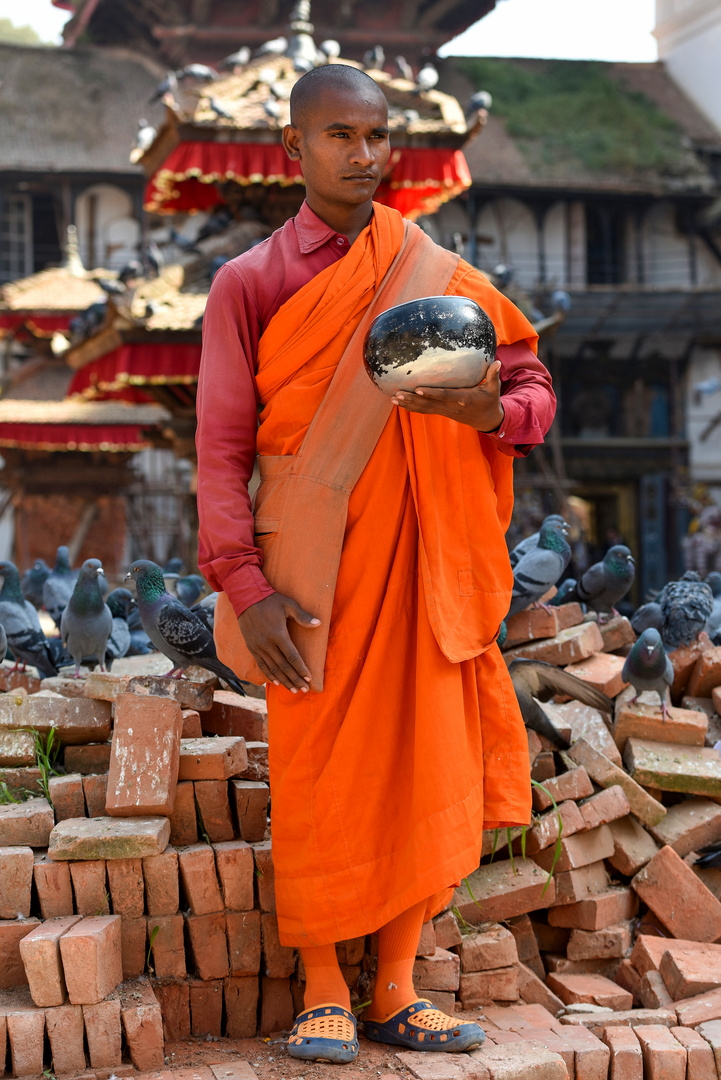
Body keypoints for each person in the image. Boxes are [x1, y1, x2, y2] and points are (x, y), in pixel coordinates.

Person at [196, 63, 556, 1065]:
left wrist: (485, 410)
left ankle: (396, 988)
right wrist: (244, 583)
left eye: (377, 136)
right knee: (319, 777)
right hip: (311, 574)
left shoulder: (435, 273)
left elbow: (529, 389)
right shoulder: (251, 283)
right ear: (293, 152)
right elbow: (222, 452)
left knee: (423, 766)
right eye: (340, 137)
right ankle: (321, 988)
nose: (364, 156)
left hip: (432, 566)